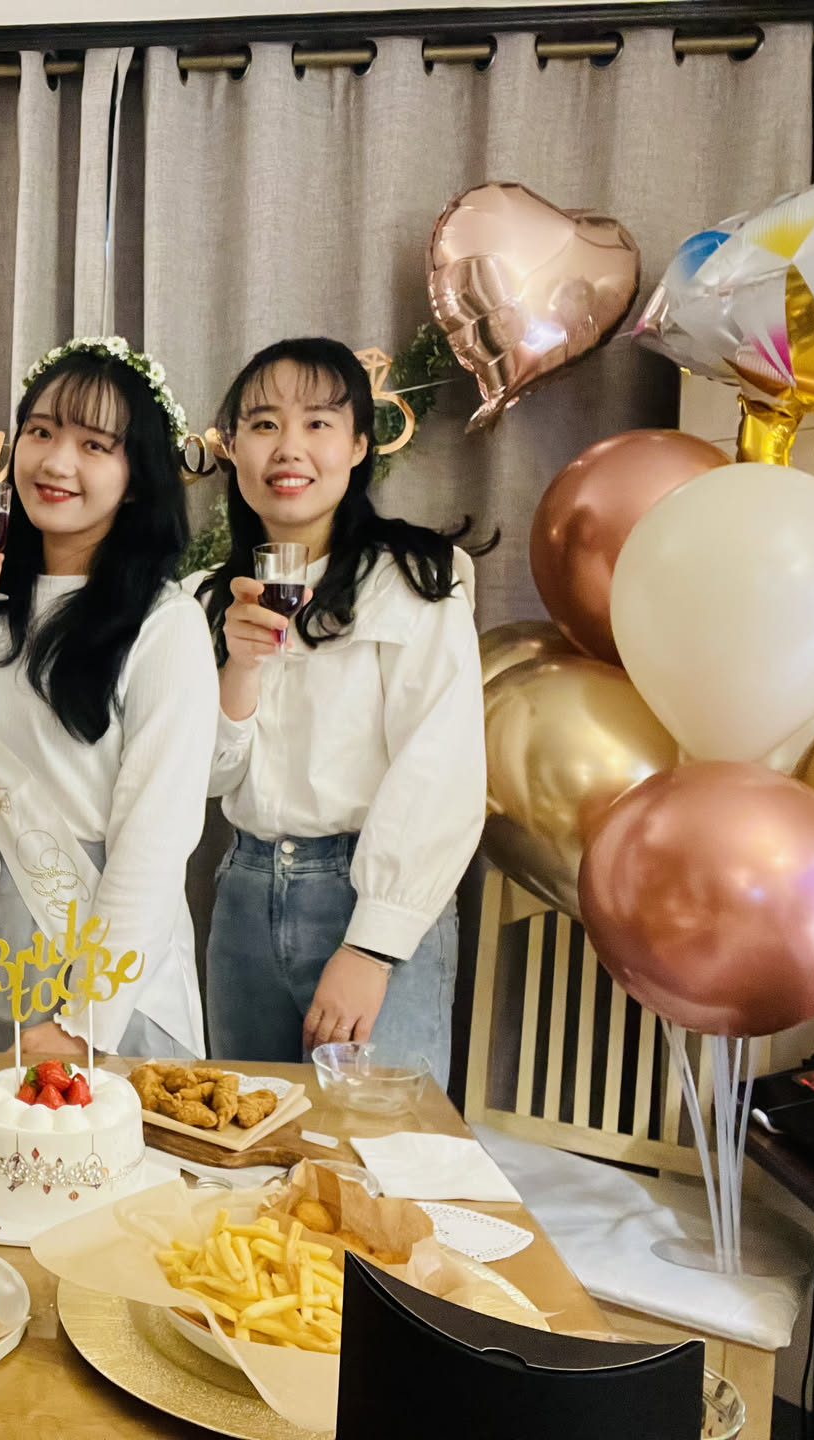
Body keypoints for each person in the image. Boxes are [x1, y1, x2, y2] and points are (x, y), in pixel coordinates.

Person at [0, 337, 218, 1059]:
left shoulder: (165, 624)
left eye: (94, 444)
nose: (56, 462)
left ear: (135, 477)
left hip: (97, 960)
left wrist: (83, 1022)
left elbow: (155, 842)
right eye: (40, 433)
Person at [192, 337, 487, 1076]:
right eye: (263, 424)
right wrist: (239, 667)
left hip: (368, 893)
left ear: (358, 445)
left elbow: (441, 768)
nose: (288, 447)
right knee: (248, 1131)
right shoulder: (208, 597)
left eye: (317, 423)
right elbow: (204, 779)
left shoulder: (417, 577)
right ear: (233, 448)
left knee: (379, 1137)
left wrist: (372, 945)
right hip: (244, 894)